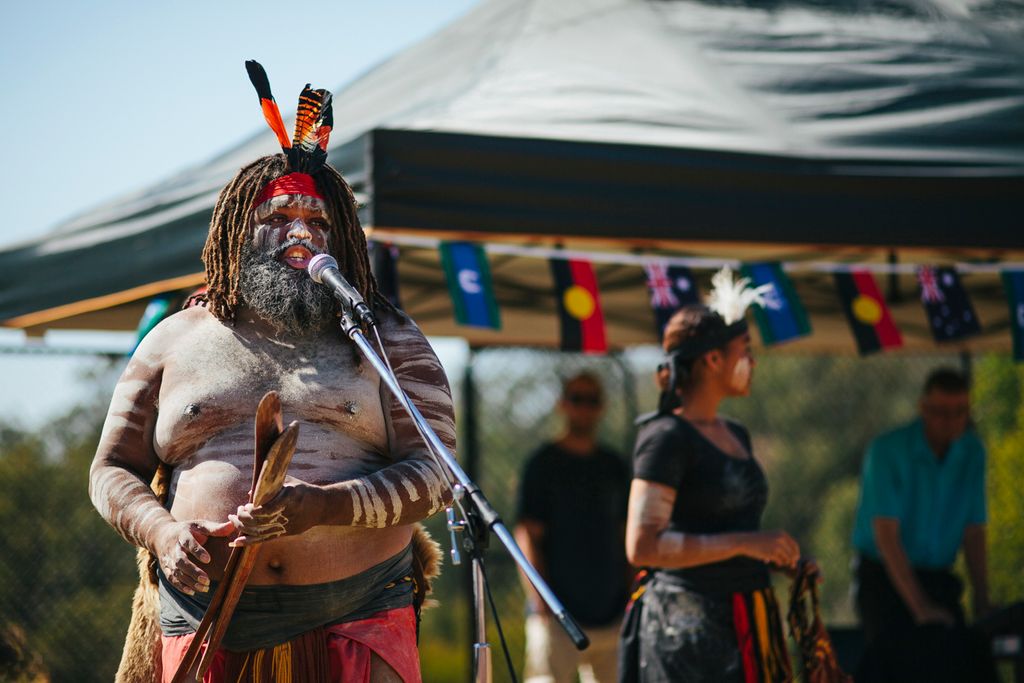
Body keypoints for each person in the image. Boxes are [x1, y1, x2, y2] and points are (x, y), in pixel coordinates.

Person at [88, 62, 454, 683]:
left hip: (360, 614)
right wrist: (163, 533)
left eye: (318, 223)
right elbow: (111, 470)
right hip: (207, 623)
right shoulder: (172, 342)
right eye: (279, 220)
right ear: (236, 236)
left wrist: (328, 507)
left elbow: (440, 474)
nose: (301, 235)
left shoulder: (385, 336)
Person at [619, 270, 801, 683]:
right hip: (686, 638)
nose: (752, 362)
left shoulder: (735, 433)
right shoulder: (665, 438)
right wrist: (746, 544)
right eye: (745, 351)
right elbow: (642, 545)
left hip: (747, 623)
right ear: (713, 360)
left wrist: (778, 556)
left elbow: (734, 531)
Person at [851, 368, 998, 682]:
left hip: (938, 578)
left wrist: (982, 600)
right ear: (923, 409)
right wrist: (920, 609)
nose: (951, 421)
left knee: (969, 658)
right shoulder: (888, 451)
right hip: (885, 578)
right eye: (941, 412)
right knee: (901, 661)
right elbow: (887, 537)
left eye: (960, 412)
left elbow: (974, 532)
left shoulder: (971, 452)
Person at [514, 372, 631, 683]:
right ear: (563, 404)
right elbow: (527, 533)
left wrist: (631, 596)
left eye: (592, 400)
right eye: (577, 399)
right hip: (558, 616)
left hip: (612, 613)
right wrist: (540, 601)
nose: (584, 408)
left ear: (602, 407)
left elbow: (626, 534)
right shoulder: (543, 464)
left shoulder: (614, 465)